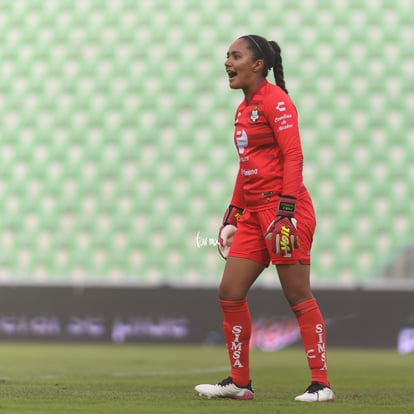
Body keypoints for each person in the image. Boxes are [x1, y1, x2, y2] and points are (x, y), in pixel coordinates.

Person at [195, 34, 335, 403]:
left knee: (297, 295)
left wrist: (286, 213)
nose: (227, 62)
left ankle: (321, 384)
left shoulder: (278, 102)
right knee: (229, 293)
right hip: (255, 215)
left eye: (235, 56)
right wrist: (232, 214)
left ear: (258, 65)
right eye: (227, 55)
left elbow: (294, 158)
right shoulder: (243, 110)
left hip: (283, 212)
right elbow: (247, 169)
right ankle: (240, 383)